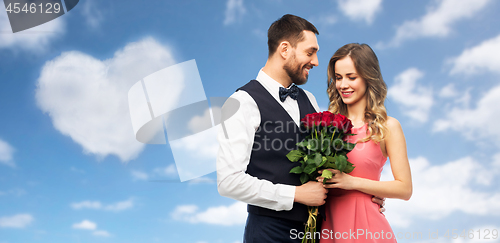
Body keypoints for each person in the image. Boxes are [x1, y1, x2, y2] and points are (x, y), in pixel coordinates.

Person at [318, 43, 412, 243]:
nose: (343, 85)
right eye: (338, 77)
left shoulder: (388, 126)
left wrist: (353, 183)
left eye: (351, 77)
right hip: (327, 227)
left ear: (369, 78)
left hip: (367, 230)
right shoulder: (324, 126)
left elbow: (405, 189)